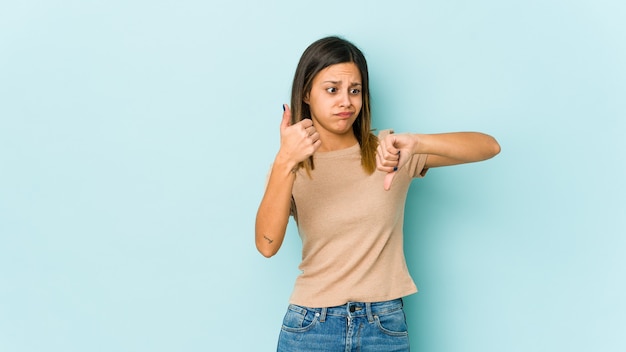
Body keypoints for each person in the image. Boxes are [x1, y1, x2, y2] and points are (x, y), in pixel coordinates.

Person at [255, 36, 500, 352]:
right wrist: (284, 161)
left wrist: (417, 143)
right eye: (332, 90)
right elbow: (266, 244)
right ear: (307, 93)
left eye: (354, 90)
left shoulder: (388, 151)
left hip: (383, 325)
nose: (346, 101)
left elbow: (489, 146)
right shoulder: (291, 166)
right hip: (311, 325)